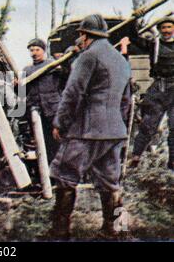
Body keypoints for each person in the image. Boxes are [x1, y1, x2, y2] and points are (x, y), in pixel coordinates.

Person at [50, 14, 131, 239]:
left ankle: (60, 231)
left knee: (65, 176)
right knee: (110, 183)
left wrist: (60, 122)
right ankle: (116, 230)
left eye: (81, 37)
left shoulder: (88, 57)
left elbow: (73, 92)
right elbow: (126, 100)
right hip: (114, 131)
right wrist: (116, 124)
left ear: (84, 36)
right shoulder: (121, 60)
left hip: (86, 131)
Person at [121, 17, 174, 170]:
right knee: (147, 124)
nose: (166, 30)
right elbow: (134, 37)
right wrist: (135, 18)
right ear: (159, 30)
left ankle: (173, 161)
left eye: (169, 27)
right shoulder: (154, 45)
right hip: (158, 87)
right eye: (163, 27)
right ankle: (136, 157)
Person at [19, 38, 62, 163]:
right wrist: (17, 85)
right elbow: (22, 93)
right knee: (41, 142)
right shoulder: (26, 70)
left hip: (53, 110)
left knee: (57, 140)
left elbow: (64, 82)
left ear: (43, 51)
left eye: (37, 50)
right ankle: (46, 173)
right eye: (31, 50)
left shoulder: (53, 65)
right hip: (36, 111)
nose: (34, 53)